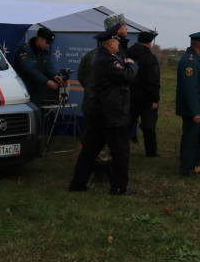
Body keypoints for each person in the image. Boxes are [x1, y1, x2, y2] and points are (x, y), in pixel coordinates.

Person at [67, 29, 138, 194]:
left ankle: (78, 185)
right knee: (121, 152)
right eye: (117, 42)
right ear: (111, 44)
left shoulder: (99, 57)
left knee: (90, 150)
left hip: (101, 111)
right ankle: (119, 188)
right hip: (112, 113)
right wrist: (131, 64)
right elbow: (127, 76)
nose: (119, 44)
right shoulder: (108, 60)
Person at [78, 16, 129, 182]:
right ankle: (103, 173)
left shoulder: (93, 54)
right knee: (104, 145)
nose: (126, 28)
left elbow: (81, 77)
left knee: (93, 143)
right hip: (106, 107)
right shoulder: (107, 56)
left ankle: (87, 176)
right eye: (124, 26)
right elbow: (123, 76)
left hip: (95, 103)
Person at [175, 31, 200, 177]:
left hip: (198, 108)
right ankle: (186, 168)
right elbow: (190, 89)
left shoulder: (195, 58)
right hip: (192, 110)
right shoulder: (190, 61)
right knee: (190, 139)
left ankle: (194, 165)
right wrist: (195, 112)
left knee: (197, 138)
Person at [126, 31, 161, 158]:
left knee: (126, 125)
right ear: (149, 43)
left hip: (129, 96)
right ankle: (151, 152)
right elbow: (153, 80)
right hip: (145, 97)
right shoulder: (149, 57)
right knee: (148, 126)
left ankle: (121, 148)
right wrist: (154, 99)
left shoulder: (127, 53)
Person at [14, 26, 63, 103]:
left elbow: (48, 66)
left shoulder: (43, 52)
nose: (48, 45)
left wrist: (55, 76)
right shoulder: (24, 51)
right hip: (24, 91)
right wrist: (46, 81)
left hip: (37, 92)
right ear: (40, 39)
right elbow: (29, 70)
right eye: (47, 42)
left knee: (37, 114)